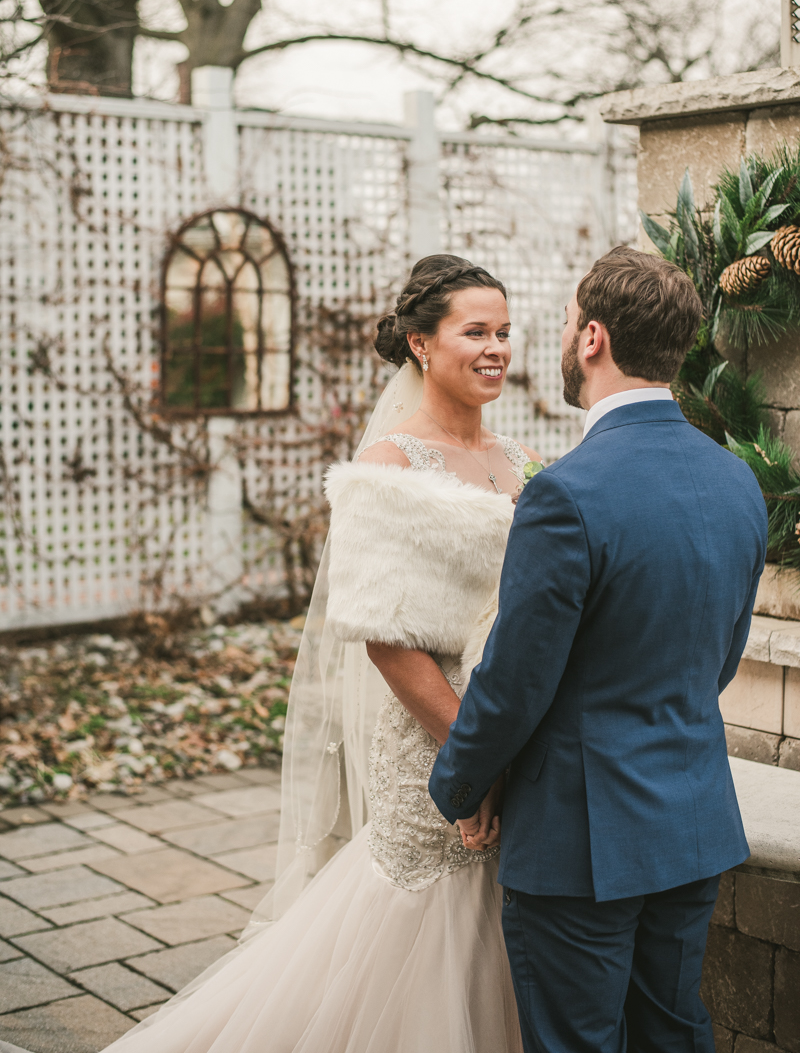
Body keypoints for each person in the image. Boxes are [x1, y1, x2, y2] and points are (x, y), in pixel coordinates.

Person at [103, 254, 538, 1053]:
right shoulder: (388, 466)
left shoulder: (515, 456)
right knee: (420, 931)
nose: (496, 348)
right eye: (474, 330)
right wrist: (477, 760)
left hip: (517, 736)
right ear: (419, 343)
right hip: (440, 745)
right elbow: (388, 642)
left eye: (504, 331)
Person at [429, 246, 768, 1053]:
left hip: (581, 841)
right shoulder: (736, 480)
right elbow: (718, 658)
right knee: (674, 1029)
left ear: (592, 338)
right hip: (692, 821)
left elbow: (516, 681)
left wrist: (461, 780)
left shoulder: (566, 493)